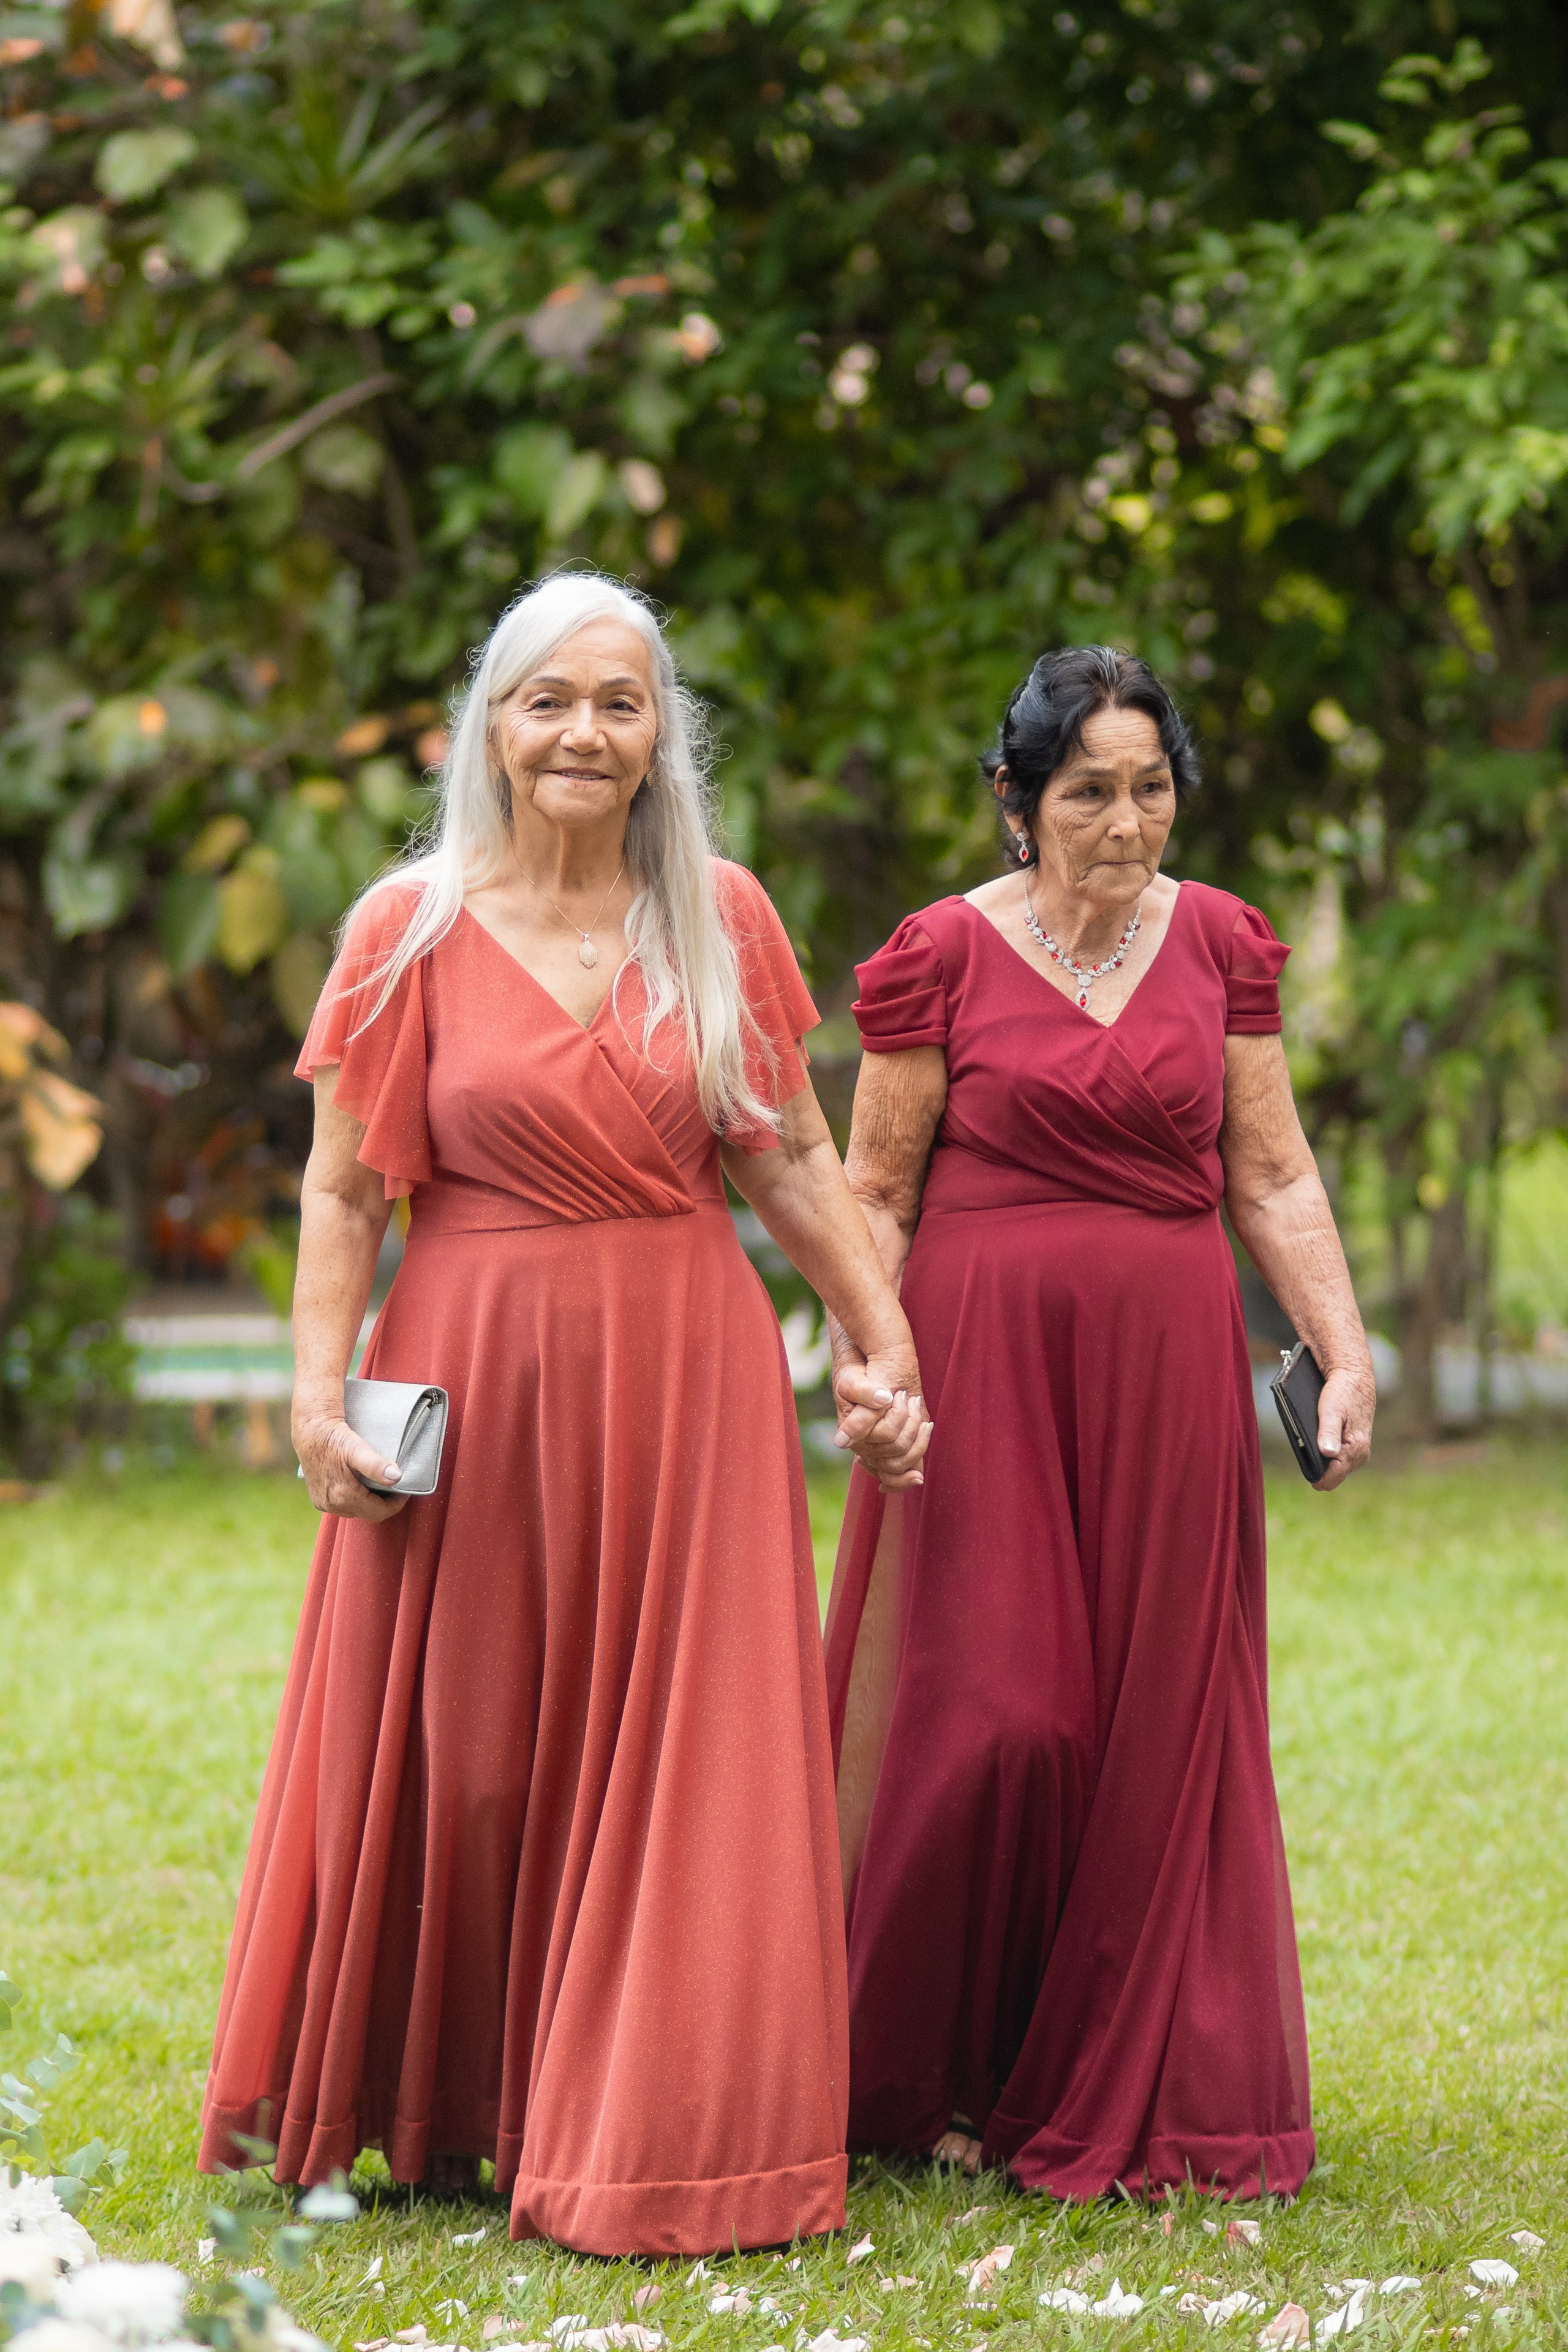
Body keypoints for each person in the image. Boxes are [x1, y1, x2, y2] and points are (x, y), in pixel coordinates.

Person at [198, 572, 931, 2257]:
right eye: (549, 701)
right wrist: (321, 1401)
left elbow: (792, 1157)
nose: (583, 733)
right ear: (493, 725)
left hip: (687, 1372)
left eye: (619, 701)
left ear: (662, 731)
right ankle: (446, 2107)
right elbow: (340, 1193)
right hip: (476, 1362)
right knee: (463, 1759)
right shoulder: (409, 929)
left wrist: (879, 1334)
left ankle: (650, 2129)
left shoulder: (721, 914)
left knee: (684, 1760)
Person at [823, 645, 1375, 2203]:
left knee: (1155, 1725)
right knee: (1005, 1715)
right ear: (1015, 802)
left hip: (1166, 1377)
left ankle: (1121, 2079)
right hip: (980, 1365)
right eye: (1087, 794)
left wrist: (1338, 1349)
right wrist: (869, 1361)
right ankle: (937, 2063)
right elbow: (874, 1187)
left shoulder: (1217, 946)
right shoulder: (936, 955)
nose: (1126, 824)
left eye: (1150, 789)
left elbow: (1265, 1173)